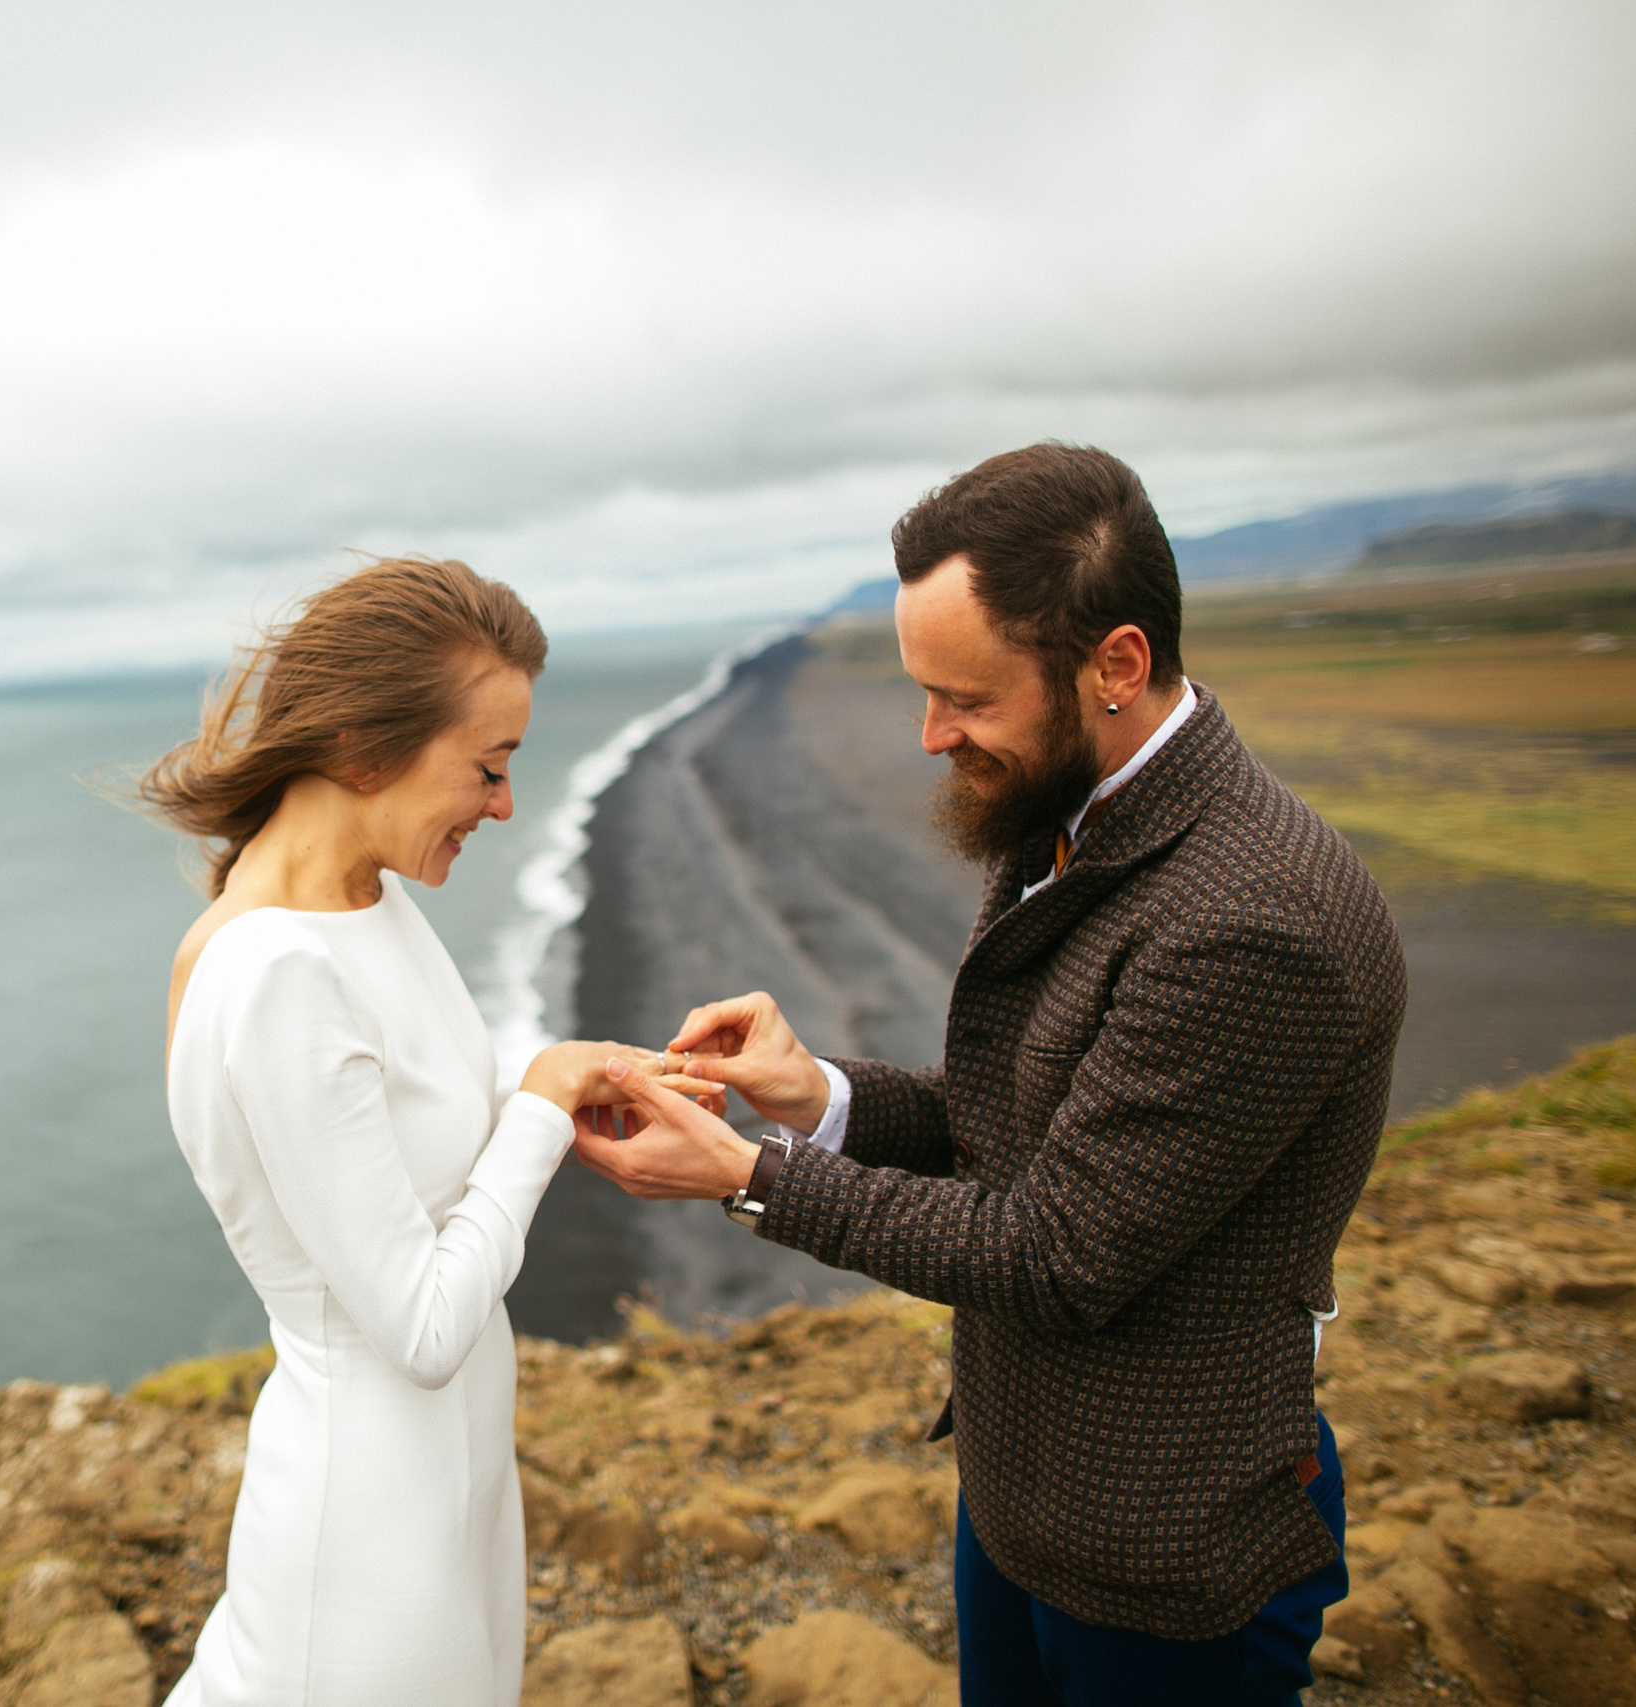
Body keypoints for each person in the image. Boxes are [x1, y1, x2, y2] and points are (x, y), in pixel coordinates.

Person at [577, 445, 1406, 1705]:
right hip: (1024, 1498)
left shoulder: (1253, 923)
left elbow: (1057, 1250)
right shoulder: (1071, 804)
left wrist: (752, 1177)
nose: (929, 736)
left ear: (1114, 664)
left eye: (962, 696)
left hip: (1160, 1544)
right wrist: (817, 1097)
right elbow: (1033, 1126)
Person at [144, 557, 704, 1707]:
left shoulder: (369, 900)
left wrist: (574, 1078)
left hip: (450, 1495)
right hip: (368, 1540)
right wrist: (540, 1109)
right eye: (489, 768)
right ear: (361, 750)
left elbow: (419, 1122)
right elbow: (421, 1325)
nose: (504, 806)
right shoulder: (275, 972)